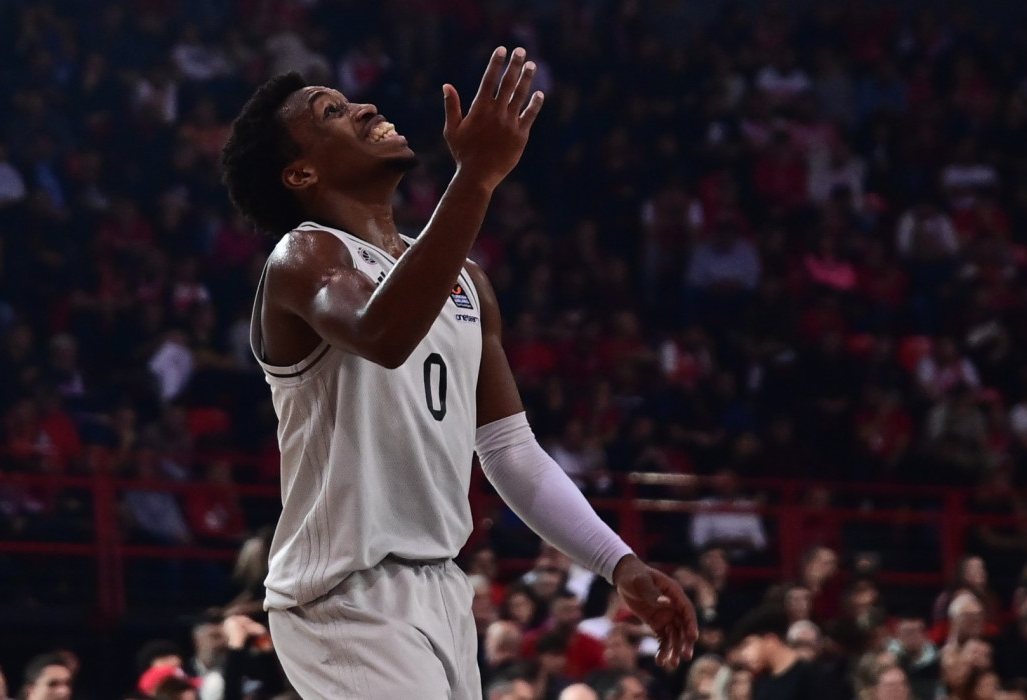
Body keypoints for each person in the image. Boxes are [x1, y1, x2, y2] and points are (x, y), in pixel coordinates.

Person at [219, 47, 696, 699]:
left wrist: (618, 562)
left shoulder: (467, 279)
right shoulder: (304, 255)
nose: (364, 107)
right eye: (331, 112)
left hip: (443, 587)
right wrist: (476, 177)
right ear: (301, 172)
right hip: (343, 593)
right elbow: (383, 334)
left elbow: (509, 451)